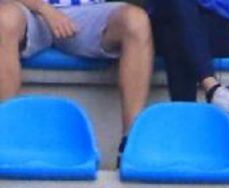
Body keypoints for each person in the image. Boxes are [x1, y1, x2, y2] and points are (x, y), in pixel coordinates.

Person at [0, 0, 152, 155]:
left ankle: (132, 143)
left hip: (89, 11)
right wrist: (44, 9)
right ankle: (6, 135)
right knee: (3, 19)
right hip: (26, 10)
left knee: (135, 21)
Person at [143, 0, 229, 116]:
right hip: (171, 23)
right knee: (174, 24)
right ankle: (213, 89)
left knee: (174, 29)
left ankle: (186, 119)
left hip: (224, 22)